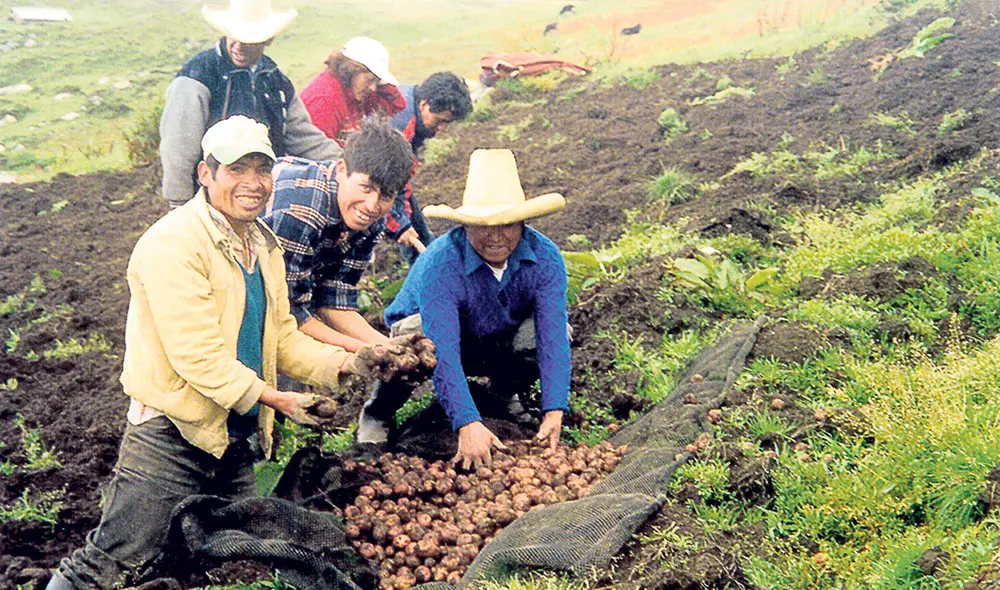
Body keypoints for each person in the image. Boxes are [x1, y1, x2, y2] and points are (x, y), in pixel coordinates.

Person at [47, 116, 433, 590]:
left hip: (234, 435)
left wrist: (352, 362)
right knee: (109, 562)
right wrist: (281, 400)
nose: (252, 184)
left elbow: (283, 337)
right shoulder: (174, 244)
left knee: (235, 559)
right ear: (205, 174)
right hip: (173, 434)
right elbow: (199, 358)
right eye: (236, 170)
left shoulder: (261, 245)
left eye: (261, 171)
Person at [356, 149, 572, 470]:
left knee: (554, 334)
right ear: (466, 226)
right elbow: (442, 349)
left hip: (496, 333)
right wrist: (466, 422)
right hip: (432, 334)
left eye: (508, 225)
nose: (496, 237)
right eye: (484, 226)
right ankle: (379, 411)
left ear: (523, 223)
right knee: (414, 344)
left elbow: (553, 335)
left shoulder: (546, 257)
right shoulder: (440, 263)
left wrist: (555, 409)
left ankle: (501, 395)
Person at [159, 0, 343, 210]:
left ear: (267, 40)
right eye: (234, 37)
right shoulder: (197, 77)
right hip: (210, 199)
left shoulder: (275, 80)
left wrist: (346, 164)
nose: (238, 46)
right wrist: (180, 204)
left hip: (263, 195)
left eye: (248, 41)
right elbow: (179, 148)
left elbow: (304, 138)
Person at [261, 117, 413, 354]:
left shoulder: (370, 218)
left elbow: (333, 297)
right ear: (342, 169)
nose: (372, 205)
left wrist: (388, 345)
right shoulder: (301, 214)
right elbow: (289, 314)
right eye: (366, 187)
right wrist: (365, 351)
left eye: (385, 196)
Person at [387, 72, 474, 264]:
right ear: (424, 105)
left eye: (447, 123)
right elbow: (379, 184)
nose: (442, 128)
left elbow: (402, 178)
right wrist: (399, 225)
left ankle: (434, 266)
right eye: (440, 120)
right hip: (361, 186)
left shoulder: (413, 101)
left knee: (419, 233)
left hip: (386, 179)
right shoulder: (400, 124)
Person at [300, 36, 406, 146]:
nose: (373, 88)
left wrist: (383, 84)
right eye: (370, 80)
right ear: (352, 69)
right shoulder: (324, 100)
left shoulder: (354, 90)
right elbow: (315, 151)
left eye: (377, 82)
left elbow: (395, 106)